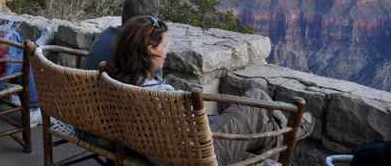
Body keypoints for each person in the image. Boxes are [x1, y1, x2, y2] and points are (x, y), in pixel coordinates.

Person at [105, 17, 314, 165]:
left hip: (154, 152)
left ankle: (283, 131)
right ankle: (290, 130)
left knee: (258, 125)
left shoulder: (112, 81)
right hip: (198, 156)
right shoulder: (163, 95)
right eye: (165, 45)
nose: (167, 51)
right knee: (257, 95)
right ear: (151, 49)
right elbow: (194, 131)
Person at [83, 0, 159, 70]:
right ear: (148, 21)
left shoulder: (106, 34)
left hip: (85, 81)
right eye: (155, 20)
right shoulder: (137, 46)